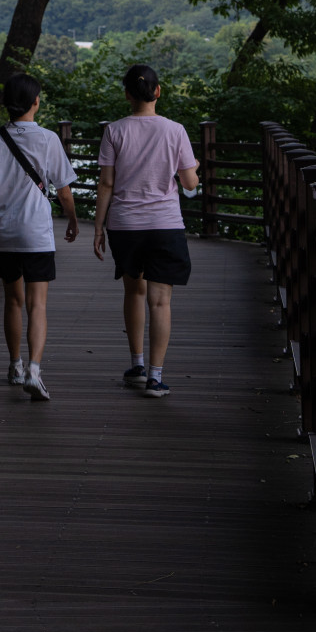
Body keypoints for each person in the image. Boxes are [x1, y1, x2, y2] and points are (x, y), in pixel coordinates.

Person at [0, 72, 79, 401]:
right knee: (37, 304)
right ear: (35, 102)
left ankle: (15, 365)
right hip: (36, 233)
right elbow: (63, 190)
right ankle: (34, 370)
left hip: (3, 231)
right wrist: (72, 219)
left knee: (13, 301)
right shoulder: (48, 139)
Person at [93, 63, 199, 397]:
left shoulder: (114, 131)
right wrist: (194, 170)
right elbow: (189, 182)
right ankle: (155, 377)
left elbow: (106, 184)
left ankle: (136, 365)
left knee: (134, 292)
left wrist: (98, 228)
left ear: (127, 94)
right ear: (158, 91)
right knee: (160, 302)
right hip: (165, 224)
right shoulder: (175, 130)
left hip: (125, 225)